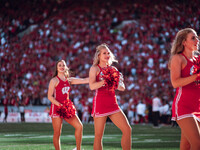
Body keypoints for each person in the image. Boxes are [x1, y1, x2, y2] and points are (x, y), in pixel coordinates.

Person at [89, 43, 132, 150]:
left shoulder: (113, 69)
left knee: (127, 129)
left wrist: (116, 81)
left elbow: (122, 88)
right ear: (98, 55)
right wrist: (105, 81)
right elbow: (92, 86)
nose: (107, 55)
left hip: (113, 104)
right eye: (104, 53)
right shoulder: (94, 68)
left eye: (108, 53)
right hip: (100, 103)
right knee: (98, 136)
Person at [169, 28, 200, 150]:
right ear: (184, 42)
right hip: (184, 106)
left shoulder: (197, 60)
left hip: (197, 106)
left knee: (186, 146)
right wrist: (197, 76)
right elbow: (175, 83)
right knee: (197, 144)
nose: (197, 40)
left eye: (197, 37)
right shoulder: (178, 58)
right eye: (193, 38)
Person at [48, 59, 89, 150]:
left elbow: (84, 80)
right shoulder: (54, 80)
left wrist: (99, 78)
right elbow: (49, 96)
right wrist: (59, 105)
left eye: (63, 65)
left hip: (67, 107)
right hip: (57, 107)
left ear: (66, 67)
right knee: (57, 133)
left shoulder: (69, 80)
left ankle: (78, 149)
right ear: (57, 68)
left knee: (79, 126)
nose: (62, 67)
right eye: (60, 65)